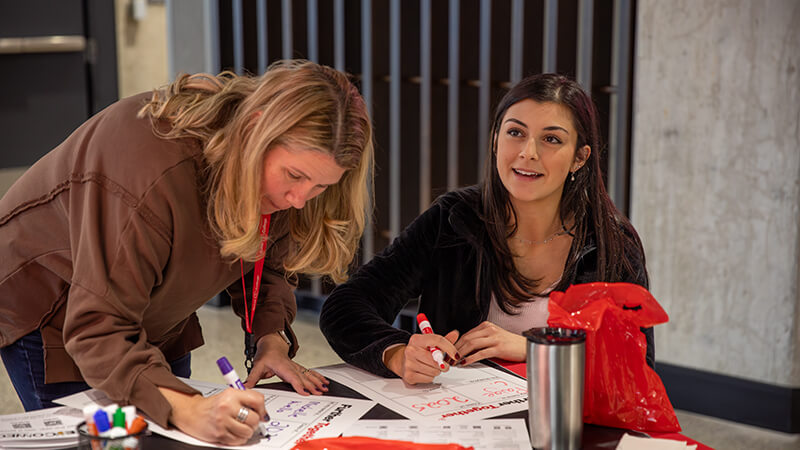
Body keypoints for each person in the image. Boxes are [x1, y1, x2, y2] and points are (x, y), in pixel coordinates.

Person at [0, 60, 373, 445]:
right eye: (294, 177)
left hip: (154, 311)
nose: (299, 200)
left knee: (174, 435)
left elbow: (267, 258)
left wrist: (270, 336)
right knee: (110, 441)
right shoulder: (148, 170)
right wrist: (187, 407)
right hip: (54, 314)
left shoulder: (290, 171)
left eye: (320, 187)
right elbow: (97, 329)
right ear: (254, 129)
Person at [320, 73, 652, 385]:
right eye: (515, 132)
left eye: (551, 139)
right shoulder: (454, 219)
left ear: (579, 158)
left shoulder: (611, 243)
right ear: (495, 140)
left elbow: (636, 366)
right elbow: (345, 306)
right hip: (459, 420)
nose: (528, 152)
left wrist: (535, 348)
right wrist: (395, 352)